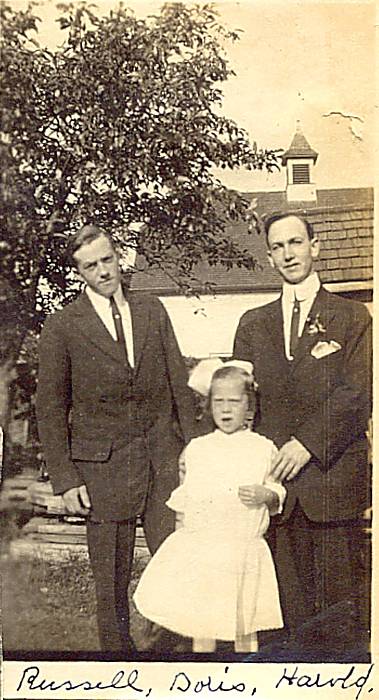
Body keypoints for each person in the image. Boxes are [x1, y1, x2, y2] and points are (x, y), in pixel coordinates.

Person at [35, 224, 199, 654]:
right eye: (91, 266)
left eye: (107, 260)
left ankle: (175, 651)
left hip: (163, 461)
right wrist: (66, 480)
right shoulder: (63, 326)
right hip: (102, 470)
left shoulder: (151, 310)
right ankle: (116, 659)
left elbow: (178, 382)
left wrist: (195, 451)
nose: (103, 271)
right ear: (79, 273)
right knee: (110, 578)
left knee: (176, 560)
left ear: (118, 257)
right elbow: (50, 407)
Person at [233, 212, 372, 647]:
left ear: (316, 246)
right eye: (278, 246)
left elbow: (358, 393)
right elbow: (238, 401)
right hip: (276, 492)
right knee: (282, 621)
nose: (288, 253)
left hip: (332, 487)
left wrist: (307, 444)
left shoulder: (352, 317)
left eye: (296, 242)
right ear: (270, 257)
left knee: (340, 619)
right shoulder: (252, 324)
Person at [134, 362, 286, 653]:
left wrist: (265, 494)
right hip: (206, 547)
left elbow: (278, 491)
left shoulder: (262, 448)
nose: (226, 409)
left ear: (249, 408)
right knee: (203, 619)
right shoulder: (199, 448)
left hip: (242, 547)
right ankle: (203, 669)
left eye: (234, 401)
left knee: (243, 619)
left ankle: (246, 671)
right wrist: (184, 539)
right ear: (209, 405)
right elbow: (188, 498)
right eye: (218, 401)